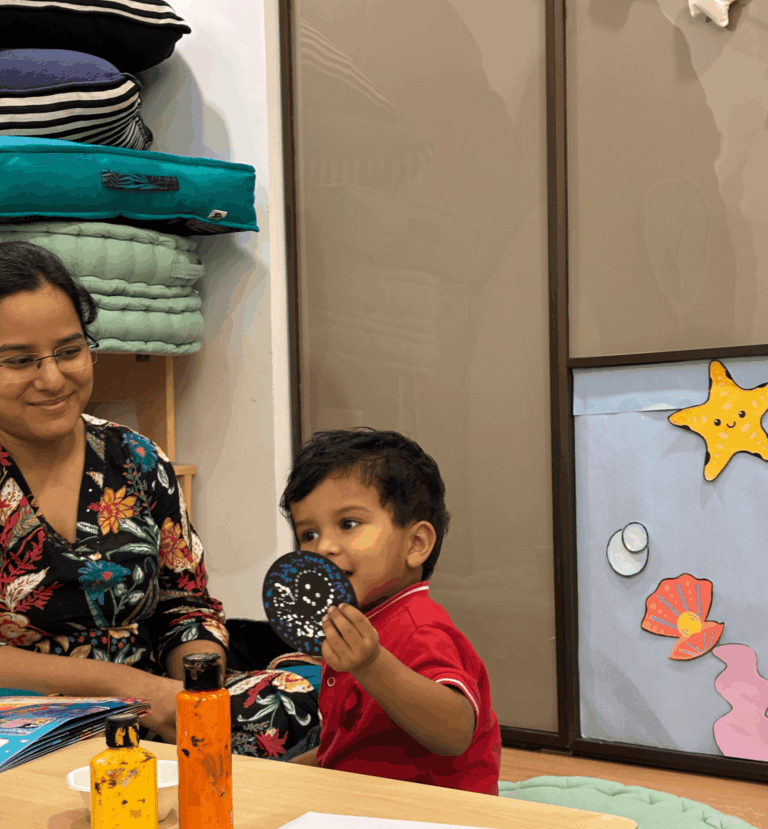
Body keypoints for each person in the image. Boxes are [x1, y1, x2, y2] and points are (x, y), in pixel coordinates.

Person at [0, 240, 318, 755]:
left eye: (69, 350)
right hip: (26, 718)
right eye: (20, 361)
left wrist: (197, 693)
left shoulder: (137, 459)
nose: (53, 377)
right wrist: (132, 689)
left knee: (300, 702)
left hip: (153, 705)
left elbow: (185, 606)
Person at [280, 428, 501, 793]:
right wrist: (280, 774)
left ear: (416, 544)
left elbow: (455, 732)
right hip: (369, 813)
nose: (325, 547)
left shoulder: (420, 629)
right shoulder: (354, 627)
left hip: (443, 825)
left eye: (348, 524)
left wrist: (371, 664)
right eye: (309, 534)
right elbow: (347, 748)